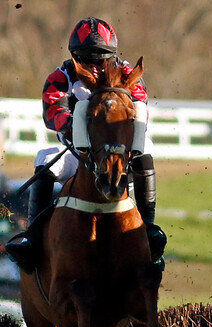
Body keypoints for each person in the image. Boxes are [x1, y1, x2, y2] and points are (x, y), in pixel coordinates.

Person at [5, 16, 166, 272]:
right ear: (74, 56)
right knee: (45, 159)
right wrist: (81, 127)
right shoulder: (61, 76)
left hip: (120, 155)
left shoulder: (126, 73)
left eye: (101, 58)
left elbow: (139, 107)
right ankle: (32, 239)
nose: (95, 66)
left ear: (111, 55)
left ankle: (149, 229)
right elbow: (52, 113)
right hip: (77, 154)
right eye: (86, 58)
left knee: (146, 148)